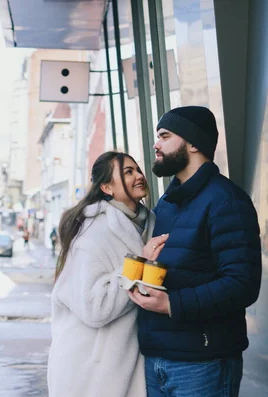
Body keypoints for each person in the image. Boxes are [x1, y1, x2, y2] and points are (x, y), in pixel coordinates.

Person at [127, 106, 262, 397]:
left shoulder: (227, 202)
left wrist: (172, 304)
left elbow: (242, 284)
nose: (156, 144)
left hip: (203, 363)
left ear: (193, 142)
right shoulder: (167, 203)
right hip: (156, 357)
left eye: (165, 136)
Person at [48, 151, 168, 397]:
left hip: (129, 361)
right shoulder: (94, 231)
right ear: (106, 187)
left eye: (137, 169)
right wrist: (141, 262)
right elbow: (95, 307)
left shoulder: (149, 224)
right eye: (127, 172)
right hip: (90, 367)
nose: (138, 176)